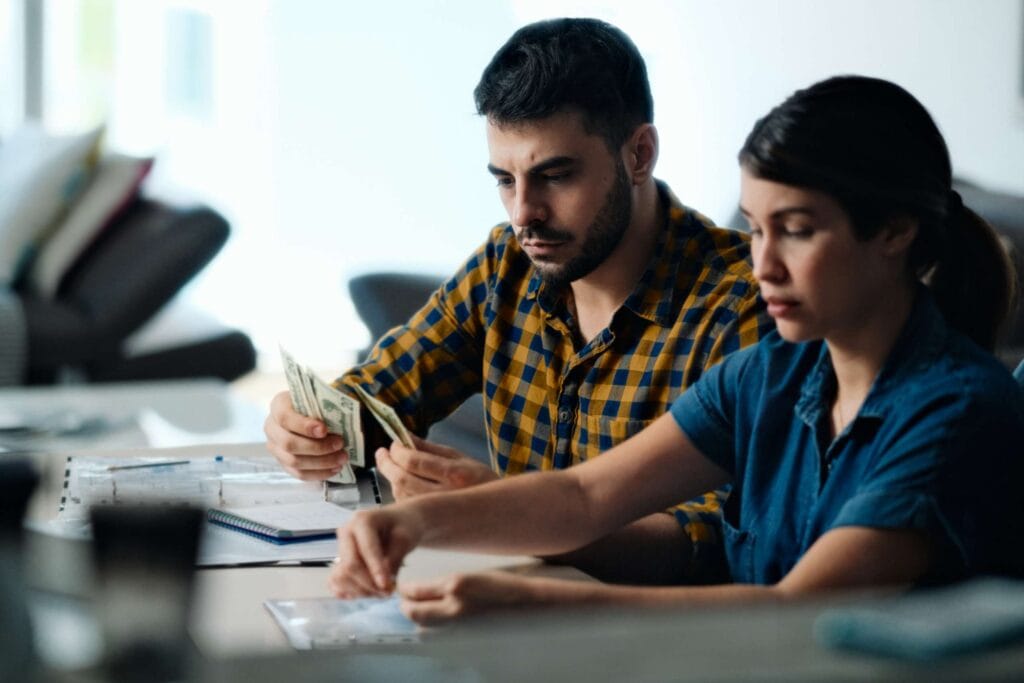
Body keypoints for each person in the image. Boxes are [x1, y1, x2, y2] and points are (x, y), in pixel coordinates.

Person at [328, 75, 1024, 623]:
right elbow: (583, 495)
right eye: (755, 229)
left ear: (895, 233)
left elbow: (799, 611)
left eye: (798, 230)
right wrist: (408, 520)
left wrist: (532, 605)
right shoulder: (771, 374)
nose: (764, 264)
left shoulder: (955, 410)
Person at [265, 18, 771, 584]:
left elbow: (714, 544)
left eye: (554, 175)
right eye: (505, 180)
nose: (522, 212)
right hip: (507, 613)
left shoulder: (746, 305)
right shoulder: (505, 266)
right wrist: (303, 428)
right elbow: (376, 399)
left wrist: (504, 510)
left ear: (639, 154)